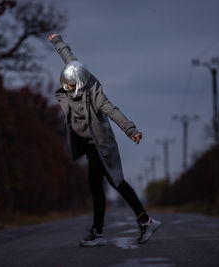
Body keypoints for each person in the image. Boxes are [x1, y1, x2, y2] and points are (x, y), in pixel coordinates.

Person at [48, 33, 162, 247]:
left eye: (71, 87)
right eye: (65, 85)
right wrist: (57, 40)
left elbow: (113, 111)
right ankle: (142, 221)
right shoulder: (73, 70)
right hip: (89, 145)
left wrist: (131, 130)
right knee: (106, 185)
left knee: (111, 182)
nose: (67, 89)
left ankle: (105, 230)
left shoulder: (95, 95)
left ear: (80, 84)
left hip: (101, 146)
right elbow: (67, 54)